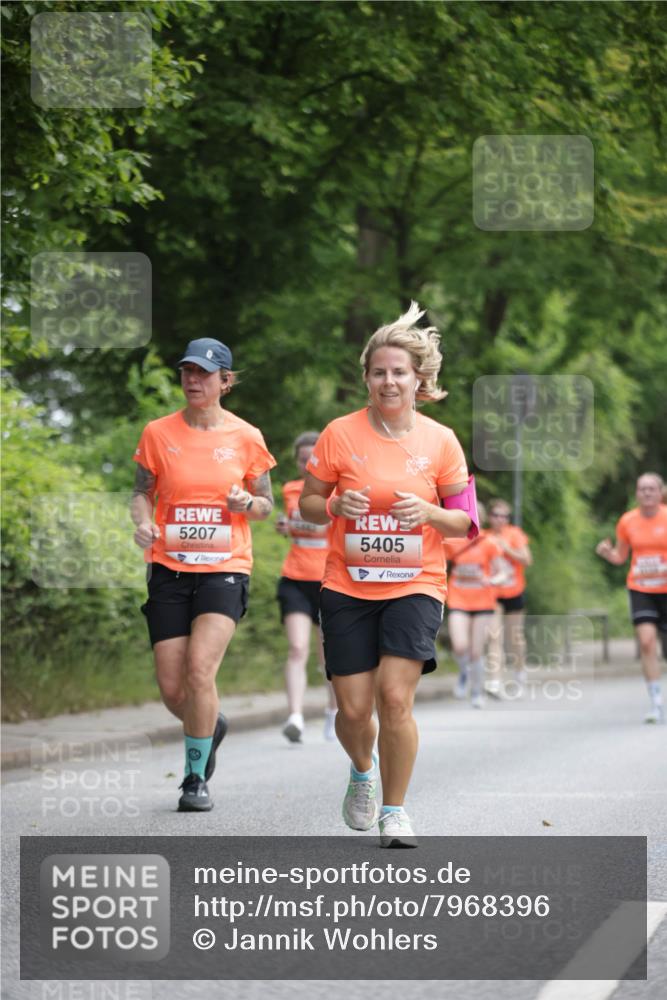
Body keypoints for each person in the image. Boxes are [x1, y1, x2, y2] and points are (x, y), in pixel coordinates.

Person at [299, 301, 477, 848]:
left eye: (400, 371)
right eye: (379, 372)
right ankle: (361, 771)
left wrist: (428, 514)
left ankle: (395, 811)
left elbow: (465, 522)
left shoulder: (440, 440)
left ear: (419, 378)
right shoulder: (339, 434)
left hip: (416, 583)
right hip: (347, 585)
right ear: (367, 378)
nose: (389, 380)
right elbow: (307, 502)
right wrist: (334, 508)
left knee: (394, 699)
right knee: (353, 710)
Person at [131, 338, 276, 810]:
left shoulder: (247, 436)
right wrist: (142, 522)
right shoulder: (158, 433)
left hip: (225, 569)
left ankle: (194, 779)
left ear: (225, 381)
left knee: (199, 671)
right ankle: (210, 724)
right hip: (169, 569)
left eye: (204, 374)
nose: (193, 381)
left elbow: (265, 506)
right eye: (187, 373)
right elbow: (141, 493)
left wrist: (246, 504)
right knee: (174, 689)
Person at [276, 431, 337, 743]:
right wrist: (284, 526)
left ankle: (332, 713)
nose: (307, 465)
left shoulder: (337, 494)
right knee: (297, 648)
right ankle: (296, 717)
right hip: (295, 579)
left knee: (329, 656)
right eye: (302, 460)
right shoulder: (290, 490)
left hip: (330, 581)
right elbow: (293, 526)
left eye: (312, 460)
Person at [596, 472, 667, 724]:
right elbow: (620, 557)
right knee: (647, 643)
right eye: (642, 489)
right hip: (641, 588)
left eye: (651, 489)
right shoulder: (627, 521)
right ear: (636, 494)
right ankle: (656, 703)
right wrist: (607, 553)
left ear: (660, 493)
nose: (646, 493)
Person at [444, 504, 506, 709]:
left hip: (483, 601)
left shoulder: (489, 542)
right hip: (458, 598)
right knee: (460, 645)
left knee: (476, 652)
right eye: (470, 515)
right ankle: (463, 674)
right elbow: (437, 562)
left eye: (477, 516)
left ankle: (477, 692)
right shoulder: (453, 540)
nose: (474, 519)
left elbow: (503, 572)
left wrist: (492, 580)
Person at [486, 498, 532, 690]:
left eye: (504, 516)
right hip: (492, 592)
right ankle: (495, 678)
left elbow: (527, 560)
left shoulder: (514, 534)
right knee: (494, 635)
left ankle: (520, 669)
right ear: (490, 517)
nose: (500, 520)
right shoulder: (483, 536)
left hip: (514, 590)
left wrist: (507, 549)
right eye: (496, 515)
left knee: (515, 637)